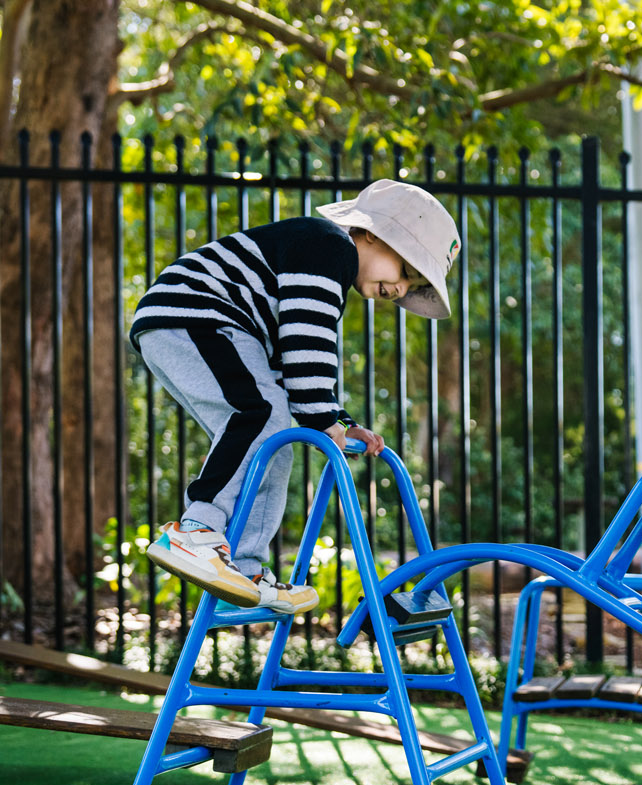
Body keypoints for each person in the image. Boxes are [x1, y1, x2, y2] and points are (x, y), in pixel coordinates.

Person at [130, 180, 460, 614]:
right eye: (408, 271)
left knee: (270, 433)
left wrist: (337, 420)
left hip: (204, 323)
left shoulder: (326, 261)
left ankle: (243, 568)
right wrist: (322, 413)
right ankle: (193, 531)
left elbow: (295, 357)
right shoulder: (329, 248)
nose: (401, 290)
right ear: (375, 235)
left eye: (414, 285)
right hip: (197, 314)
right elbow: (308, 354)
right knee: (261, 413)